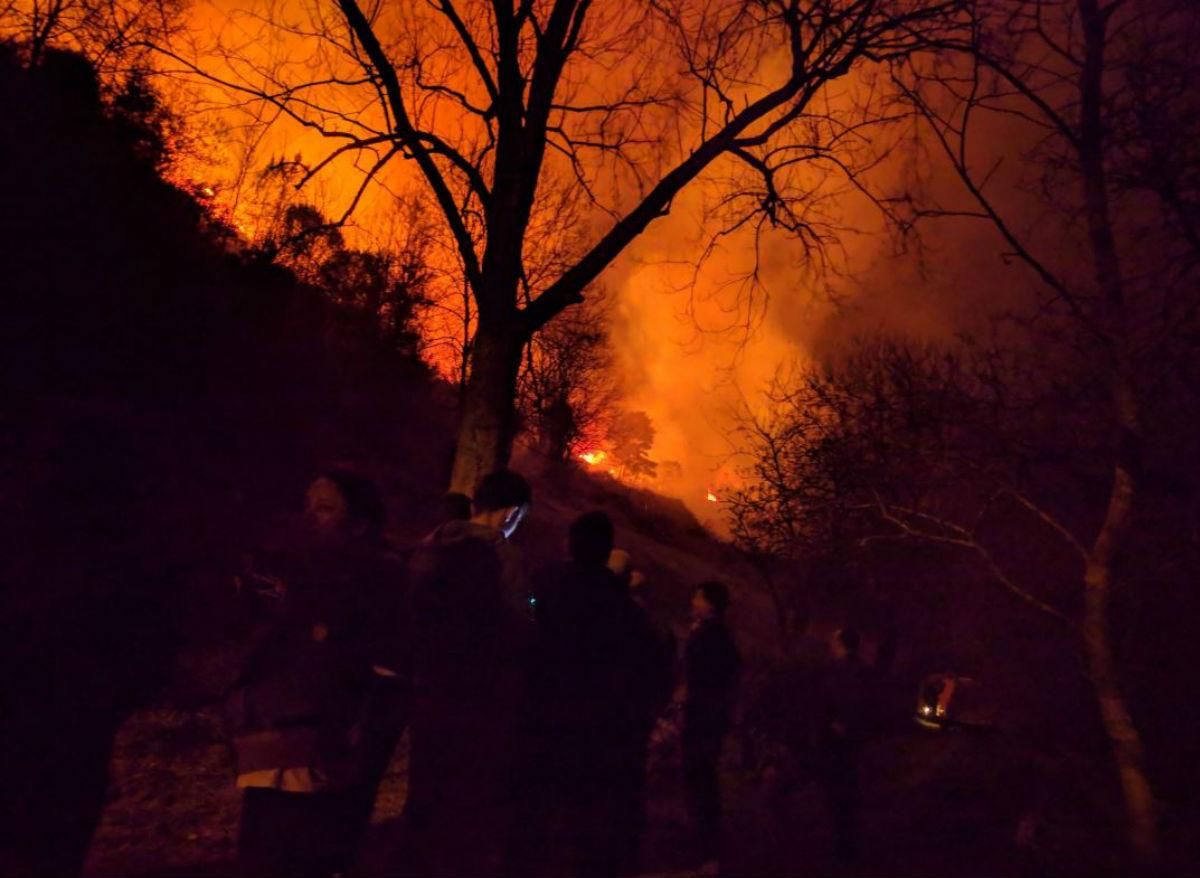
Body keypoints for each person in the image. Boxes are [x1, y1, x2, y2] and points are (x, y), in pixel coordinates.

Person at [227, 468, 405, 878]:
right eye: (307, 506)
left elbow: (382, 668)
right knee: (262, 844)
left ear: (360, 522)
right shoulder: (294, 570)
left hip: (325, 740)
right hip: (273, 734)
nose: (309, 518)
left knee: (313, 845)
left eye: (324, 508)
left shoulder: (380, 574)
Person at [508, 513, 662, 878]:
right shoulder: (627, 611)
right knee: (582, 815)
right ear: (607, 551)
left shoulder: (545, 584)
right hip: (593, 729)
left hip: (538, 714)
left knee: (530, 807)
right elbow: (643, 674)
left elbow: (519, 634)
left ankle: (522, 861)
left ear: (569, 544)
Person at [403, 468, 532, 877]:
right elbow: (521, 628)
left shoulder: (431, 542)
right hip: (478, 689)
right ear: (511, 512)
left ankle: (412, 858)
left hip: (425, 680)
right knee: (465, 789)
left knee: (424, 781)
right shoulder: (504, 556)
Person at [682, 581, 741, 877]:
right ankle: (707, 850)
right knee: (703, 782)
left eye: (697, 596)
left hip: (702, 720)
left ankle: (707, 852)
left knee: (701, 783)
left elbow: (699, 677)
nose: (693, 600)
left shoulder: (709, 637)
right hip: (711, 720)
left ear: (709, 605)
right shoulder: (722, 637)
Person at [816, 626, 874, 863]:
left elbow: (839, 699)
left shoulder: (842, 671)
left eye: (833, 640)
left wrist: (838, 723)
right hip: (853, 738)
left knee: (840, 790)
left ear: (840, 643)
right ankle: (847, 843)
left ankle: (844, 847)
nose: (830, 644)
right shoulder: (863, 670)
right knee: (848, 789)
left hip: (839, 738)